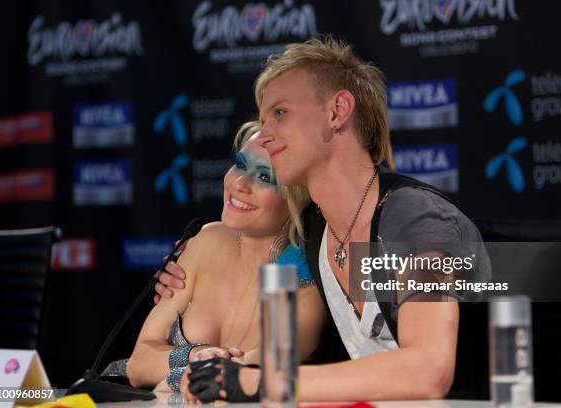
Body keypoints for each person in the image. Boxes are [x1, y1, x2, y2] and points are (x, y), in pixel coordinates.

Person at [157, 37, 488, 402]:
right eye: (262, 119)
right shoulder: (313, 231)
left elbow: (429, 371)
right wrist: (186, 265)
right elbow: (248, 264)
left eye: (280, 113)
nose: (263, 137)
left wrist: (259, 383)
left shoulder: (411, 217)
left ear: (337, 112)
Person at [126, 121, 326, 393]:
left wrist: (177, 375)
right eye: (241, 164)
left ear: (298, 199)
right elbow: (138, 366)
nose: (240, 184)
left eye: (266, 177)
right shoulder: (207, 239)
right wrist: (196, 356)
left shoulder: (301, 272)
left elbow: (258, 372)